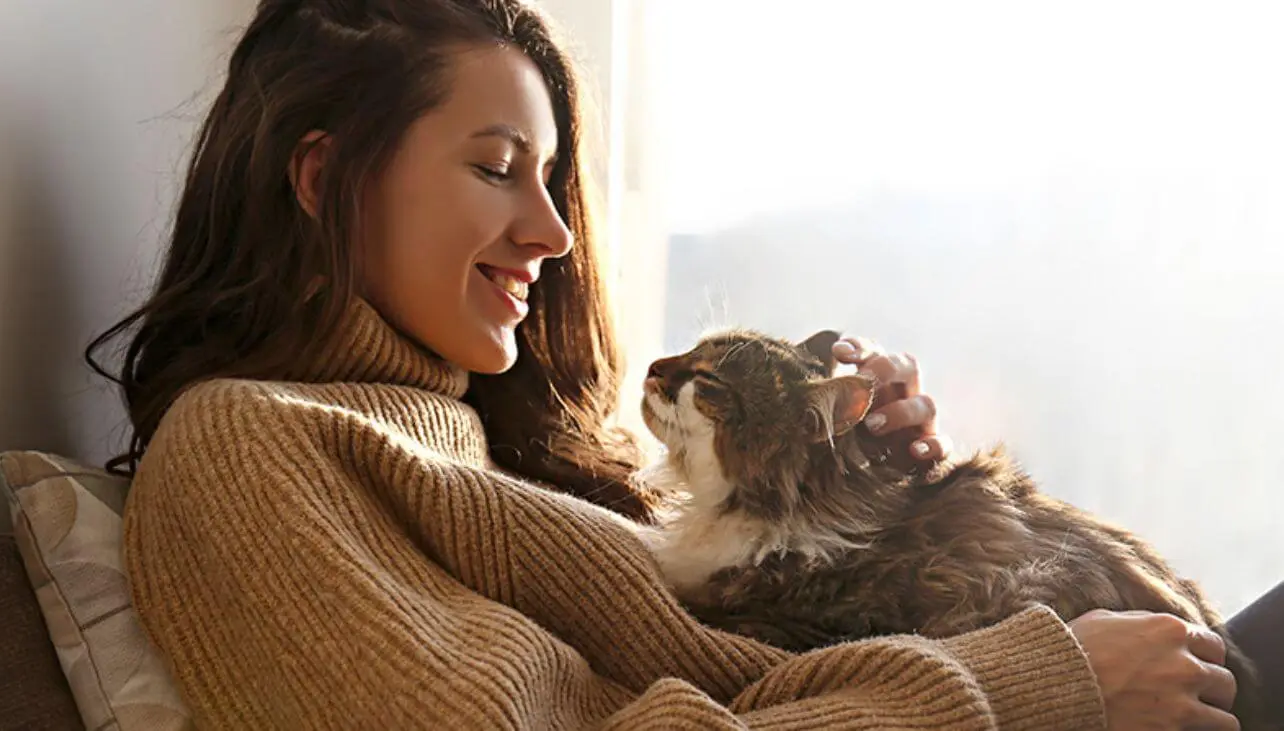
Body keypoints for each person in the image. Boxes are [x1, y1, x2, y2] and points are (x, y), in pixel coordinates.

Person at [87, 1, 1279, 728]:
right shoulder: (248, 448)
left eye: (551, 182)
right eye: (496, 166)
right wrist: (1032, 689)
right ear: (318, 177)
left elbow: (762, 660)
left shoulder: (479, 451)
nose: (553, 235)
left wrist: (864, 495)